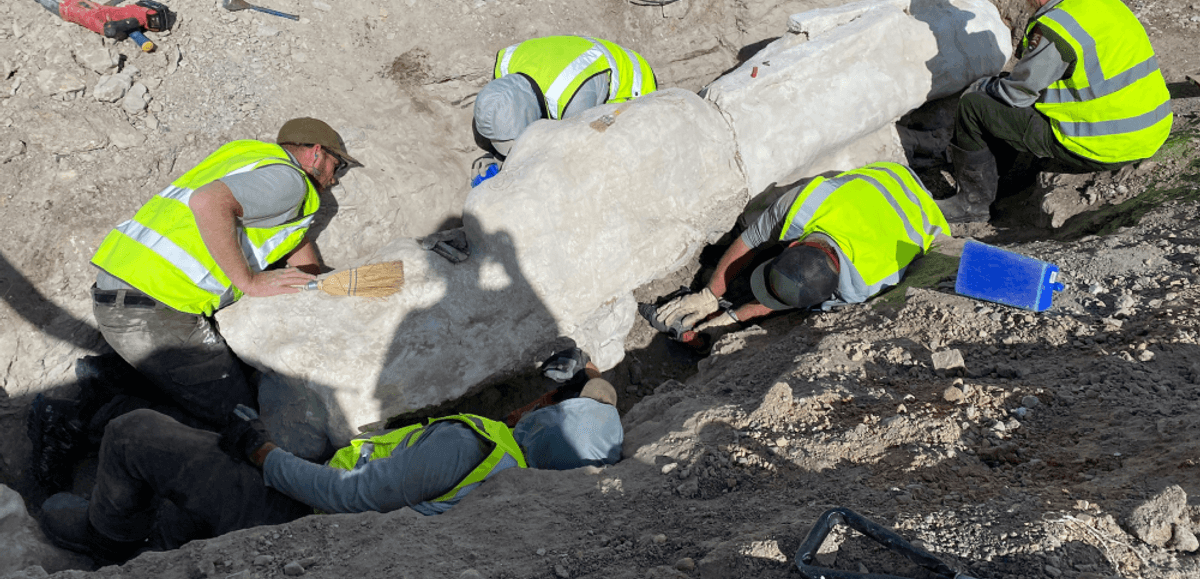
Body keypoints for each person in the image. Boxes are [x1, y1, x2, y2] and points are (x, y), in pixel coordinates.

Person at [38, 354, 623, 564]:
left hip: (295, 514)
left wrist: (261, 452)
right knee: (190, 481)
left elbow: (346, 497)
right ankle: (170, 530)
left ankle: (112, 544)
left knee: (134, 431)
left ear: (545, 419)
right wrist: (592, 377)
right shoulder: (523, 485)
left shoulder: (471, 443)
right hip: (317, 506)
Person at [87, 117, 361, 425]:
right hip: (155, 305)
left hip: (125, 288)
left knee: (219, 382)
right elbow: (209, 202)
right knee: (239, 422)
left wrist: (320, 281)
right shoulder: (291, 182)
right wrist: (250, 282)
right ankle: (83, 416)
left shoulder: (246, 159)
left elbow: (290, 240)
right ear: (316, 153)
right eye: (336, 167)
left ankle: (115, 375)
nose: (335, 180)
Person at [938, 0, 1172, 223]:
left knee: (974, 106)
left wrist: (984, 87)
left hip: (1103, 143)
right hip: (1149, 131)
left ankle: (971, 206)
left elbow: (1016, 95)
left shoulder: (1058, 28)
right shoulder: (1101, 1)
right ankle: (1008, 177)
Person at [656, 162, 949, 345]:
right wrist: (710, 294)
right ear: (794, 244)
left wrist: (732, 319)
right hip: (890, 175)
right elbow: (753, 239)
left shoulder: (864, 287)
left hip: (929, 218)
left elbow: (790, 300)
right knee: (761, 217)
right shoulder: (804, 205)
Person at [472, 35, 657, 164]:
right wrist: (496, 155)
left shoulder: (572, 100)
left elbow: (569, 157)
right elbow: (503, 112)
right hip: (578, 58)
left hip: (632, 81)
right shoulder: (505, 65)